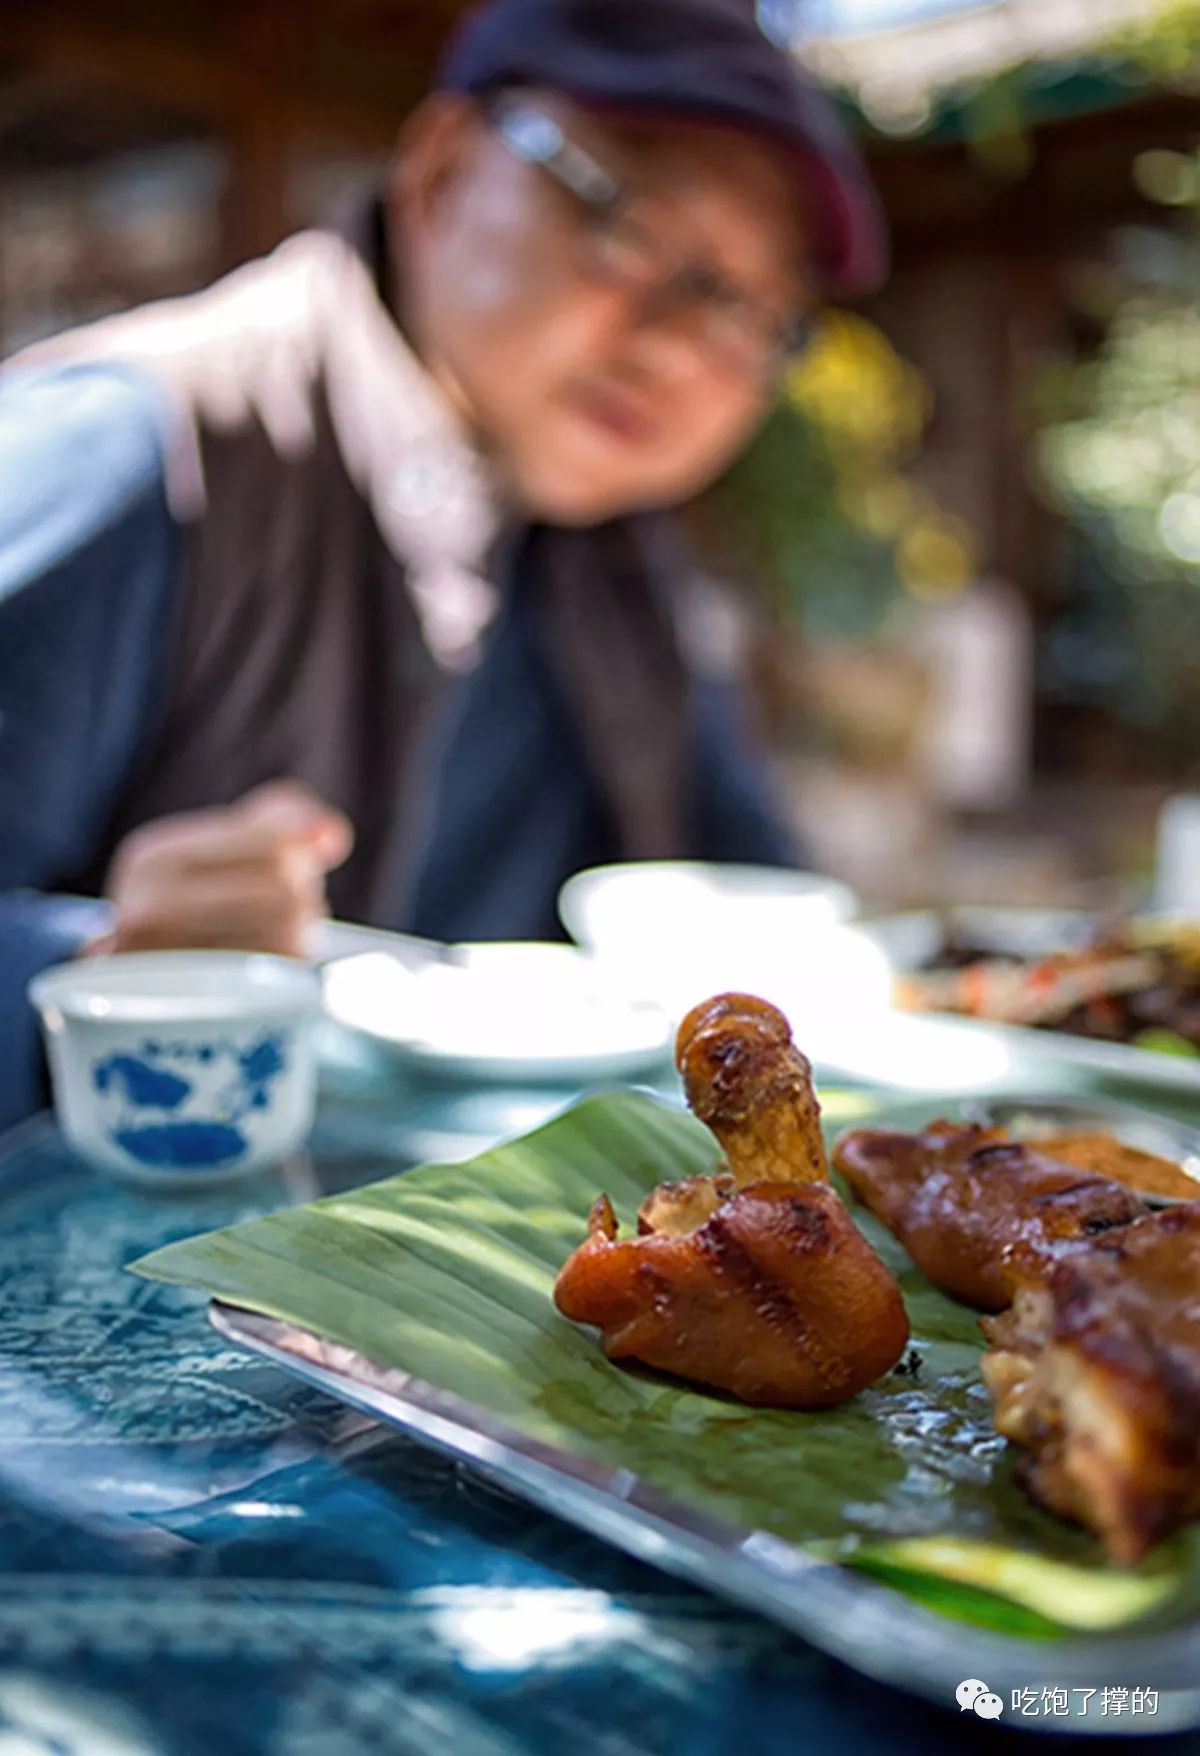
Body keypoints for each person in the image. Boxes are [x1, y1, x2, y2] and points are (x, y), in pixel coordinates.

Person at [0, 0, 886, 1128]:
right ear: (442, 169)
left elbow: (751, 896)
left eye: (750, 310)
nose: (676, 342)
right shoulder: (137, 444)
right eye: (637, 230)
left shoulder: (617, 561)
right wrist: (96, 957)